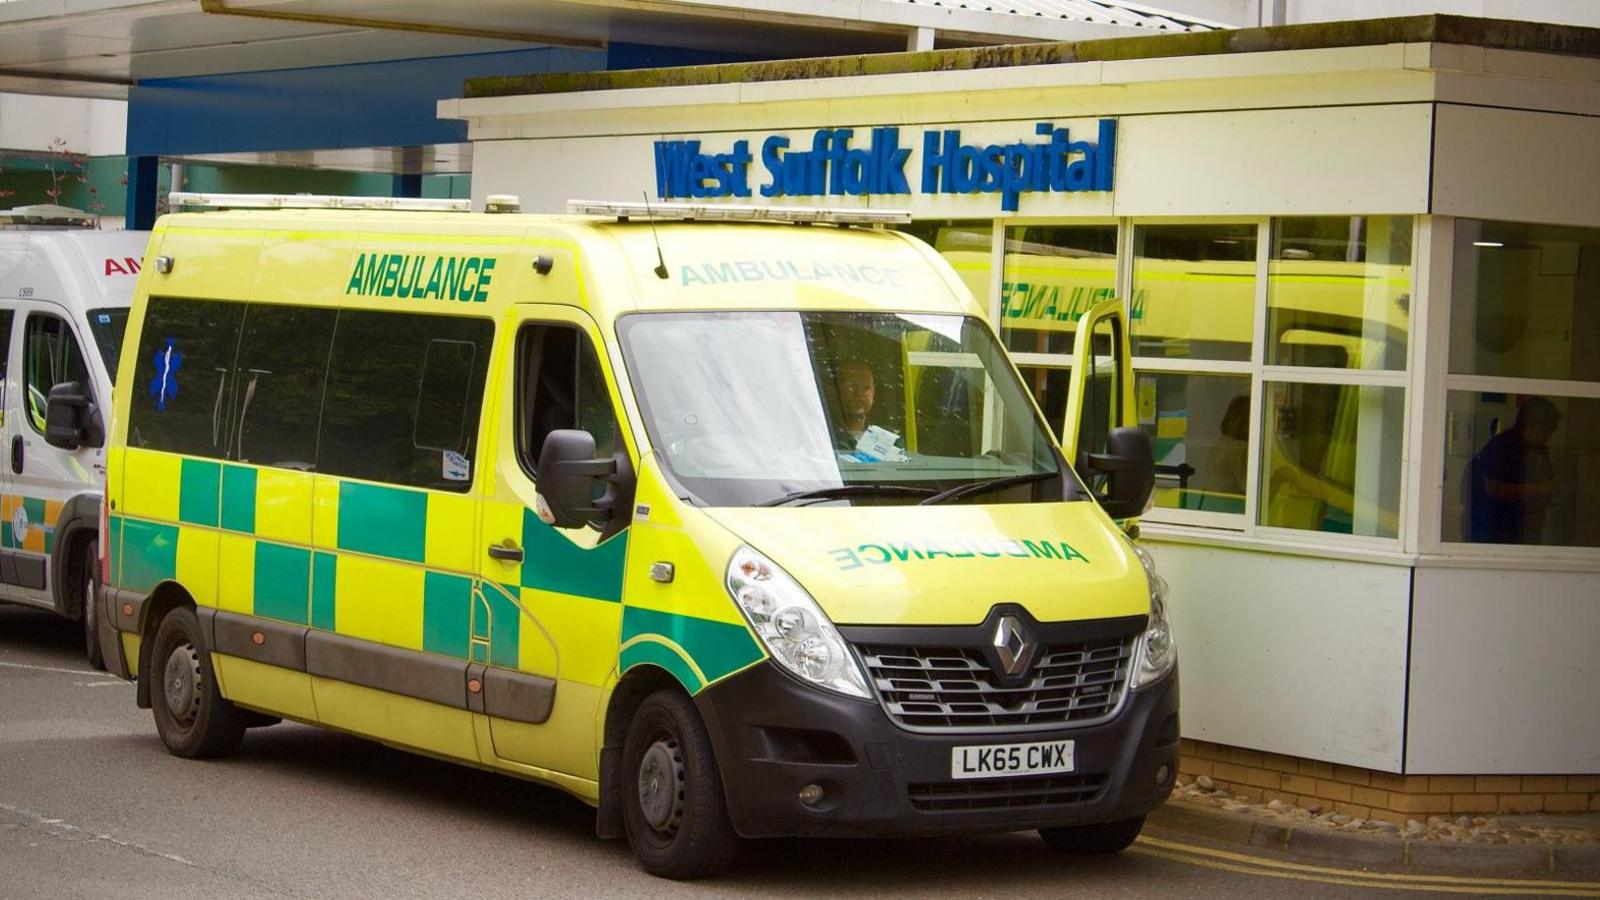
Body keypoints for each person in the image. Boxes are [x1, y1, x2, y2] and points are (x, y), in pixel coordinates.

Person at [1465, 396, 1561, 544]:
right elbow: (1494, 488)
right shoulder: (1503, 446)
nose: (1549, 436)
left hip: (1526, 531)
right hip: (1496, 532)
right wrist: (1540, 489)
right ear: (1530, 425)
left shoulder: (1540, 450)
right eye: (1546, 430)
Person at [834, 359, 877, 448]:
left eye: (866, 388)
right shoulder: (824, 437)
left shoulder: (889, 440)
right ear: (837, 391)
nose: (859, 393)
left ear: (873, 393)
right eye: (851, 387)